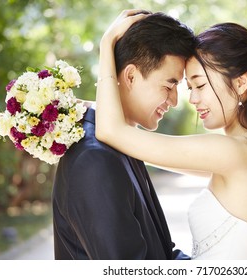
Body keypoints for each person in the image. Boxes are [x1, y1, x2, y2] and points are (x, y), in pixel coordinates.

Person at [95, 10, 247, 259]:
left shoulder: (234, 153)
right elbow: (137, 146)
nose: (193, 99)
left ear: (240, 83)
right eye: (190, 87)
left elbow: (112, 131)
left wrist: (107, 44)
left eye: (200, 85)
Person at [52, 10, 196, 259]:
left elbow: (162, 253)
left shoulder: (124, 141)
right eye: (169, 85)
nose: (174, 100)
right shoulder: (94, 160)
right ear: (130, 76)